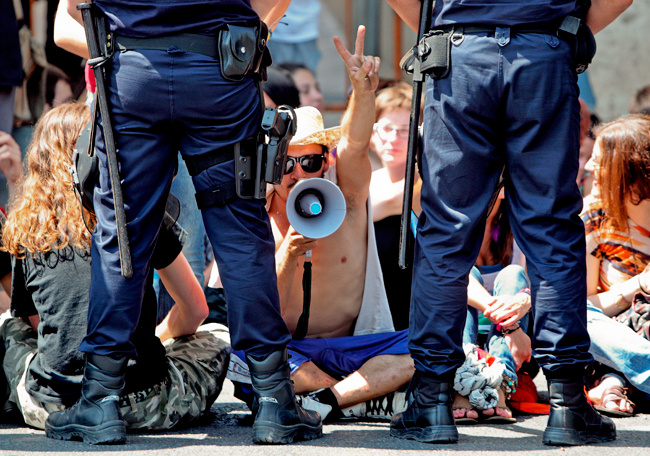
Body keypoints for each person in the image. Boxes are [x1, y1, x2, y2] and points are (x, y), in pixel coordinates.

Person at [50, 0, 320, 446]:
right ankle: (274, 399)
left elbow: (69, 15)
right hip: (220, 69)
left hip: (133, 71)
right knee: (239, 234)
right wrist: (256, 32)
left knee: (122, 233)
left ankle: (100, 400)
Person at [386, 0, 632, 446]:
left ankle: (432, 401)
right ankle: (567, 404)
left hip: (461, 53)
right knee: (551, 226)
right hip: (543, 51)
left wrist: (449, 27)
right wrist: (559, 32)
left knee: (446, 228)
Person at [214, 27, 414, 421]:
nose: (300, 175)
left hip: (355, 348)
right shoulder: (257, 213)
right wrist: (287, 252)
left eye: (310, 162)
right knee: (243, 358)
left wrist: (363, 91)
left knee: (422, 349)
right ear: (273, 165)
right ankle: (359, 396)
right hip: (291, 356)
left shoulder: (349, 199)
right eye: (288, 163)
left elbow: (355, 145)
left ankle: (325, 402)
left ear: (327, 161)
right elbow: (261, 316)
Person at [0, 102, 230, 434]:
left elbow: (42, 327)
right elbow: (195, 309)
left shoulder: (26, 231)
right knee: (217, 334)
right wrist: (160, 338)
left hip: (50, 405)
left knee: (10, 323)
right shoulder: (139, 215)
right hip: (143, 402)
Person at [580, 114, 650, 416]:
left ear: (628, 170)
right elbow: (584, 307)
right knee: (567, 311)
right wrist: (639, 284)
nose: (587, 167)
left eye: (599, 161)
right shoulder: (593, 218)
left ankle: (614, 382)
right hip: (610, 333)